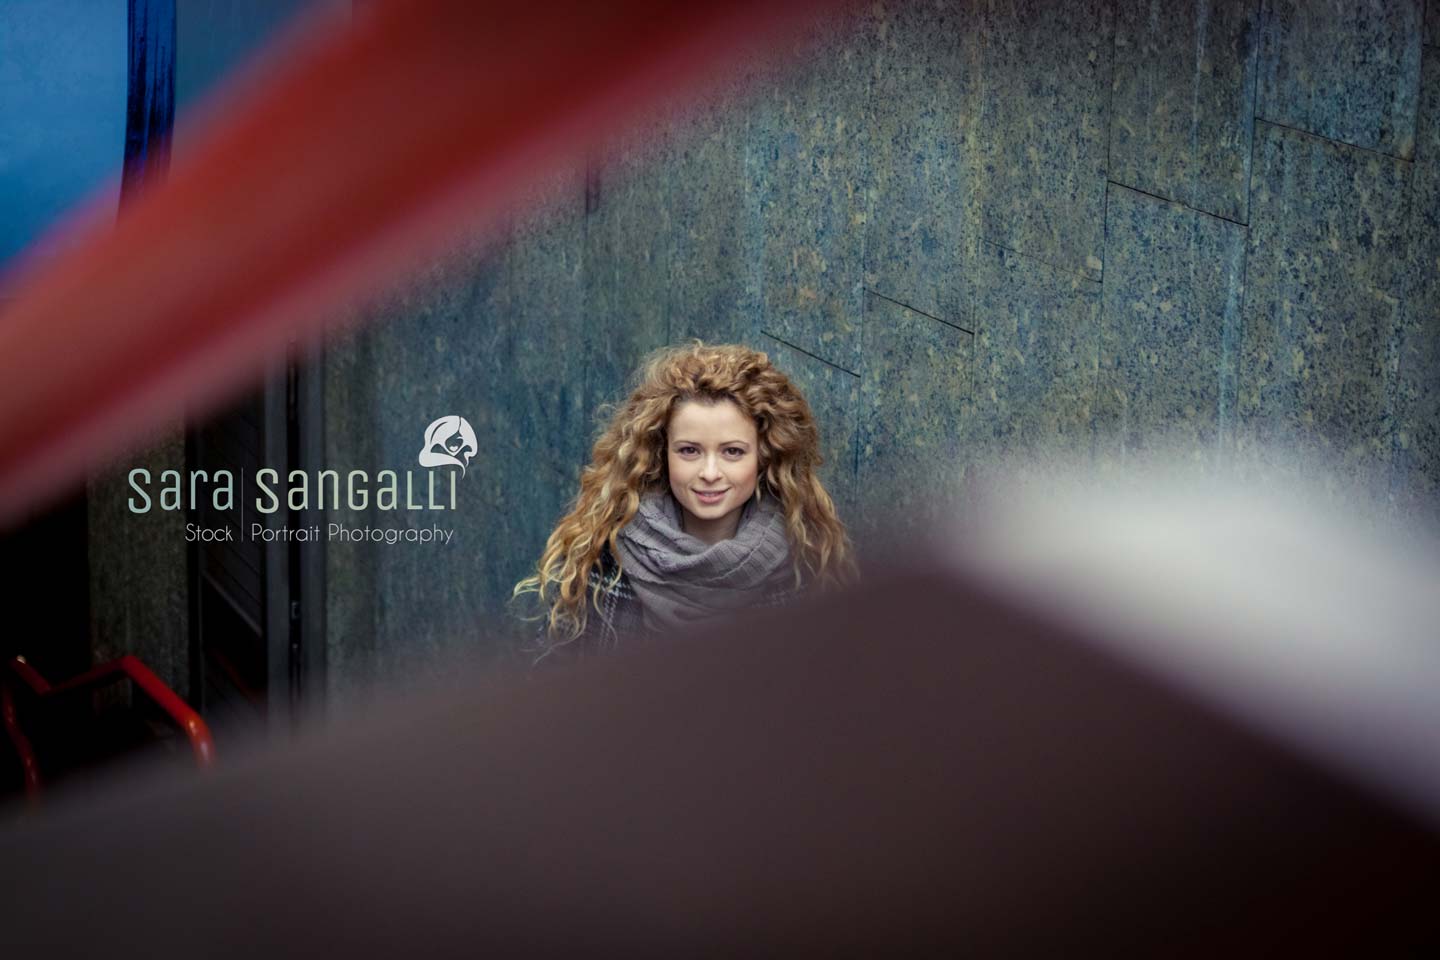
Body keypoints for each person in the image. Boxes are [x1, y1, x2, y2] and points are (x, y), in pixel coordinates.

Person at [513, 341, 856, 663]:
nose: (709, 472)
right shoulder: (604, 559)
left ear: (764, 457)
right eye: (689, 450)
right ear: (662, 454)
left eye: (732, 452)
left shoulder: (803, 569)